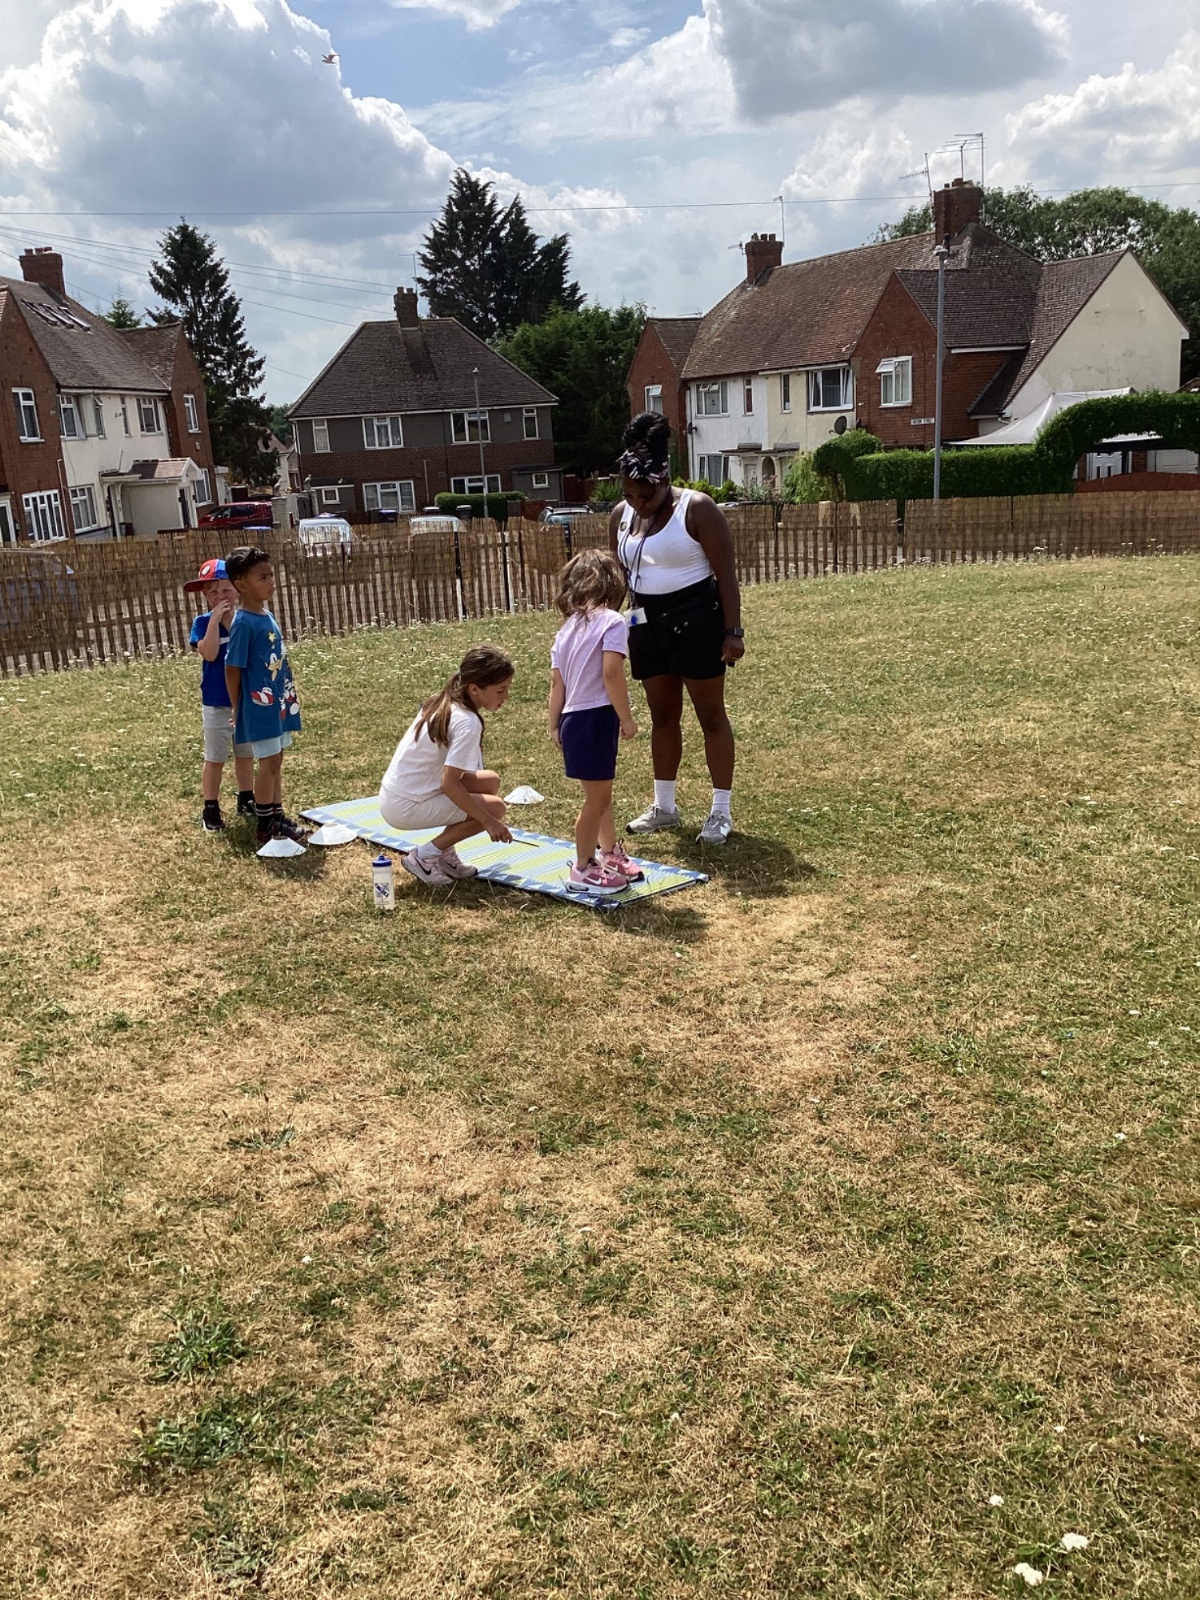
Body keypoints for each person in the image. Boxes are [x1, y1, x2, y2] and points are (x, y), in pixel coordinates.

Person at [609, 411, 745, 844]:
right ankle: (664, 806)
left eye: (645, 496)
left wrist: (733, 632)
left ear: (664, 480)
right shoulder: (620, 515)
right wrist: (606, 628)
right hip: (646, 624)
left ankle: (720, 812)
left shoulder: (697, 509)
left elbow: (726, 575)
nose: (636, 503)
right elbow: (618, 579)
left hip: (697, 621)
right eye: (628, 494)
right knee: (662, 716)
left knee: (711, 716)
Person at [379, 645, 514, 888]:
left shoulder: (443, 701)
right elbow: (449, 784)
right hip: (405, 806)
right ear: (474, 689)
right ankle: (424, 856)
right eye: (500, 690)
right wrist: (489, 822)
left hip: (398, 793)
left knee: (491, 781)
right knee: (495, 809)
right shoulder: (467, 722)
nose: (506, 697)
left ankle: (444, 852)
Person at [548, 549, 642, 896]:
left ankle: (609, 852)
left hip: (573, 719)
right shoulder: (613, 622)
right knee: (596, 801)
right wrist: (626, 718)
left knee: (601, 795)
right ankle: (584, 867)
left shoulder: (565, 630)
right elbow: (611, 672)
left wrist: (554, 724)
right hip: (595, 717)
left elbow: (557, 684)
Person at [223, 546, 307, 847]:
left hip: (278, 703)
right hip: (260, 706)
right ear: (241, 585)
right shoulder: (243, 623)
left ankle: (276, 813)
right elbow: (232, 669)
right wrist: (238, 708)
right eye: (262, 577)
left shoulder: (266, 615)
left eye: (271, 575)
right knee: (268, 762)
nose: (271, 582)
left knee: (276, 760)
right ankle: (264, 824)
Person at [184, 556, 255, 833]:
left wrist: (231, 621)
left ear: (237, 589)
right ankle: (210, 807)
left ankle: (247, 798)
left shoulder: (245, 620)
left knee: (245, 754)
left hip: (243, 701)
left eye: (225, 590)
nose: (220, 597)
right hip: (216, 702)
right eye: (212, 592)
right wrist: (215, 621)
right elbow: (210, 653)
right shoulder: (202, 623)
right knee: (215, 758)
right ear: (205, 596)